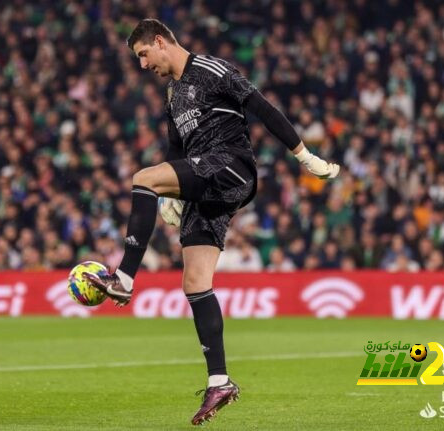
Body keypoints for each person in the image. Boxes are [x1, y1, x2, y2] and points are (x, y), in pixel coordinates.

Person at [86, 18, 339, 425]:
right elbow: (174, 149)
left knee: (141, 179)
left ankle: (125, 279)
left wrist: (303, 155)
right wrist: (171, 195)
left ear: (160, 41)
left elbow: (261, 107)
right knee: (195, 283)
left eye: (143, 55)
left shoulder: (211, 70)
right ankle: (220, 381)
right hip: (206, 186)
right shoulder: (172, 95)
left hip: (230, 167)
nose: (142, 65)